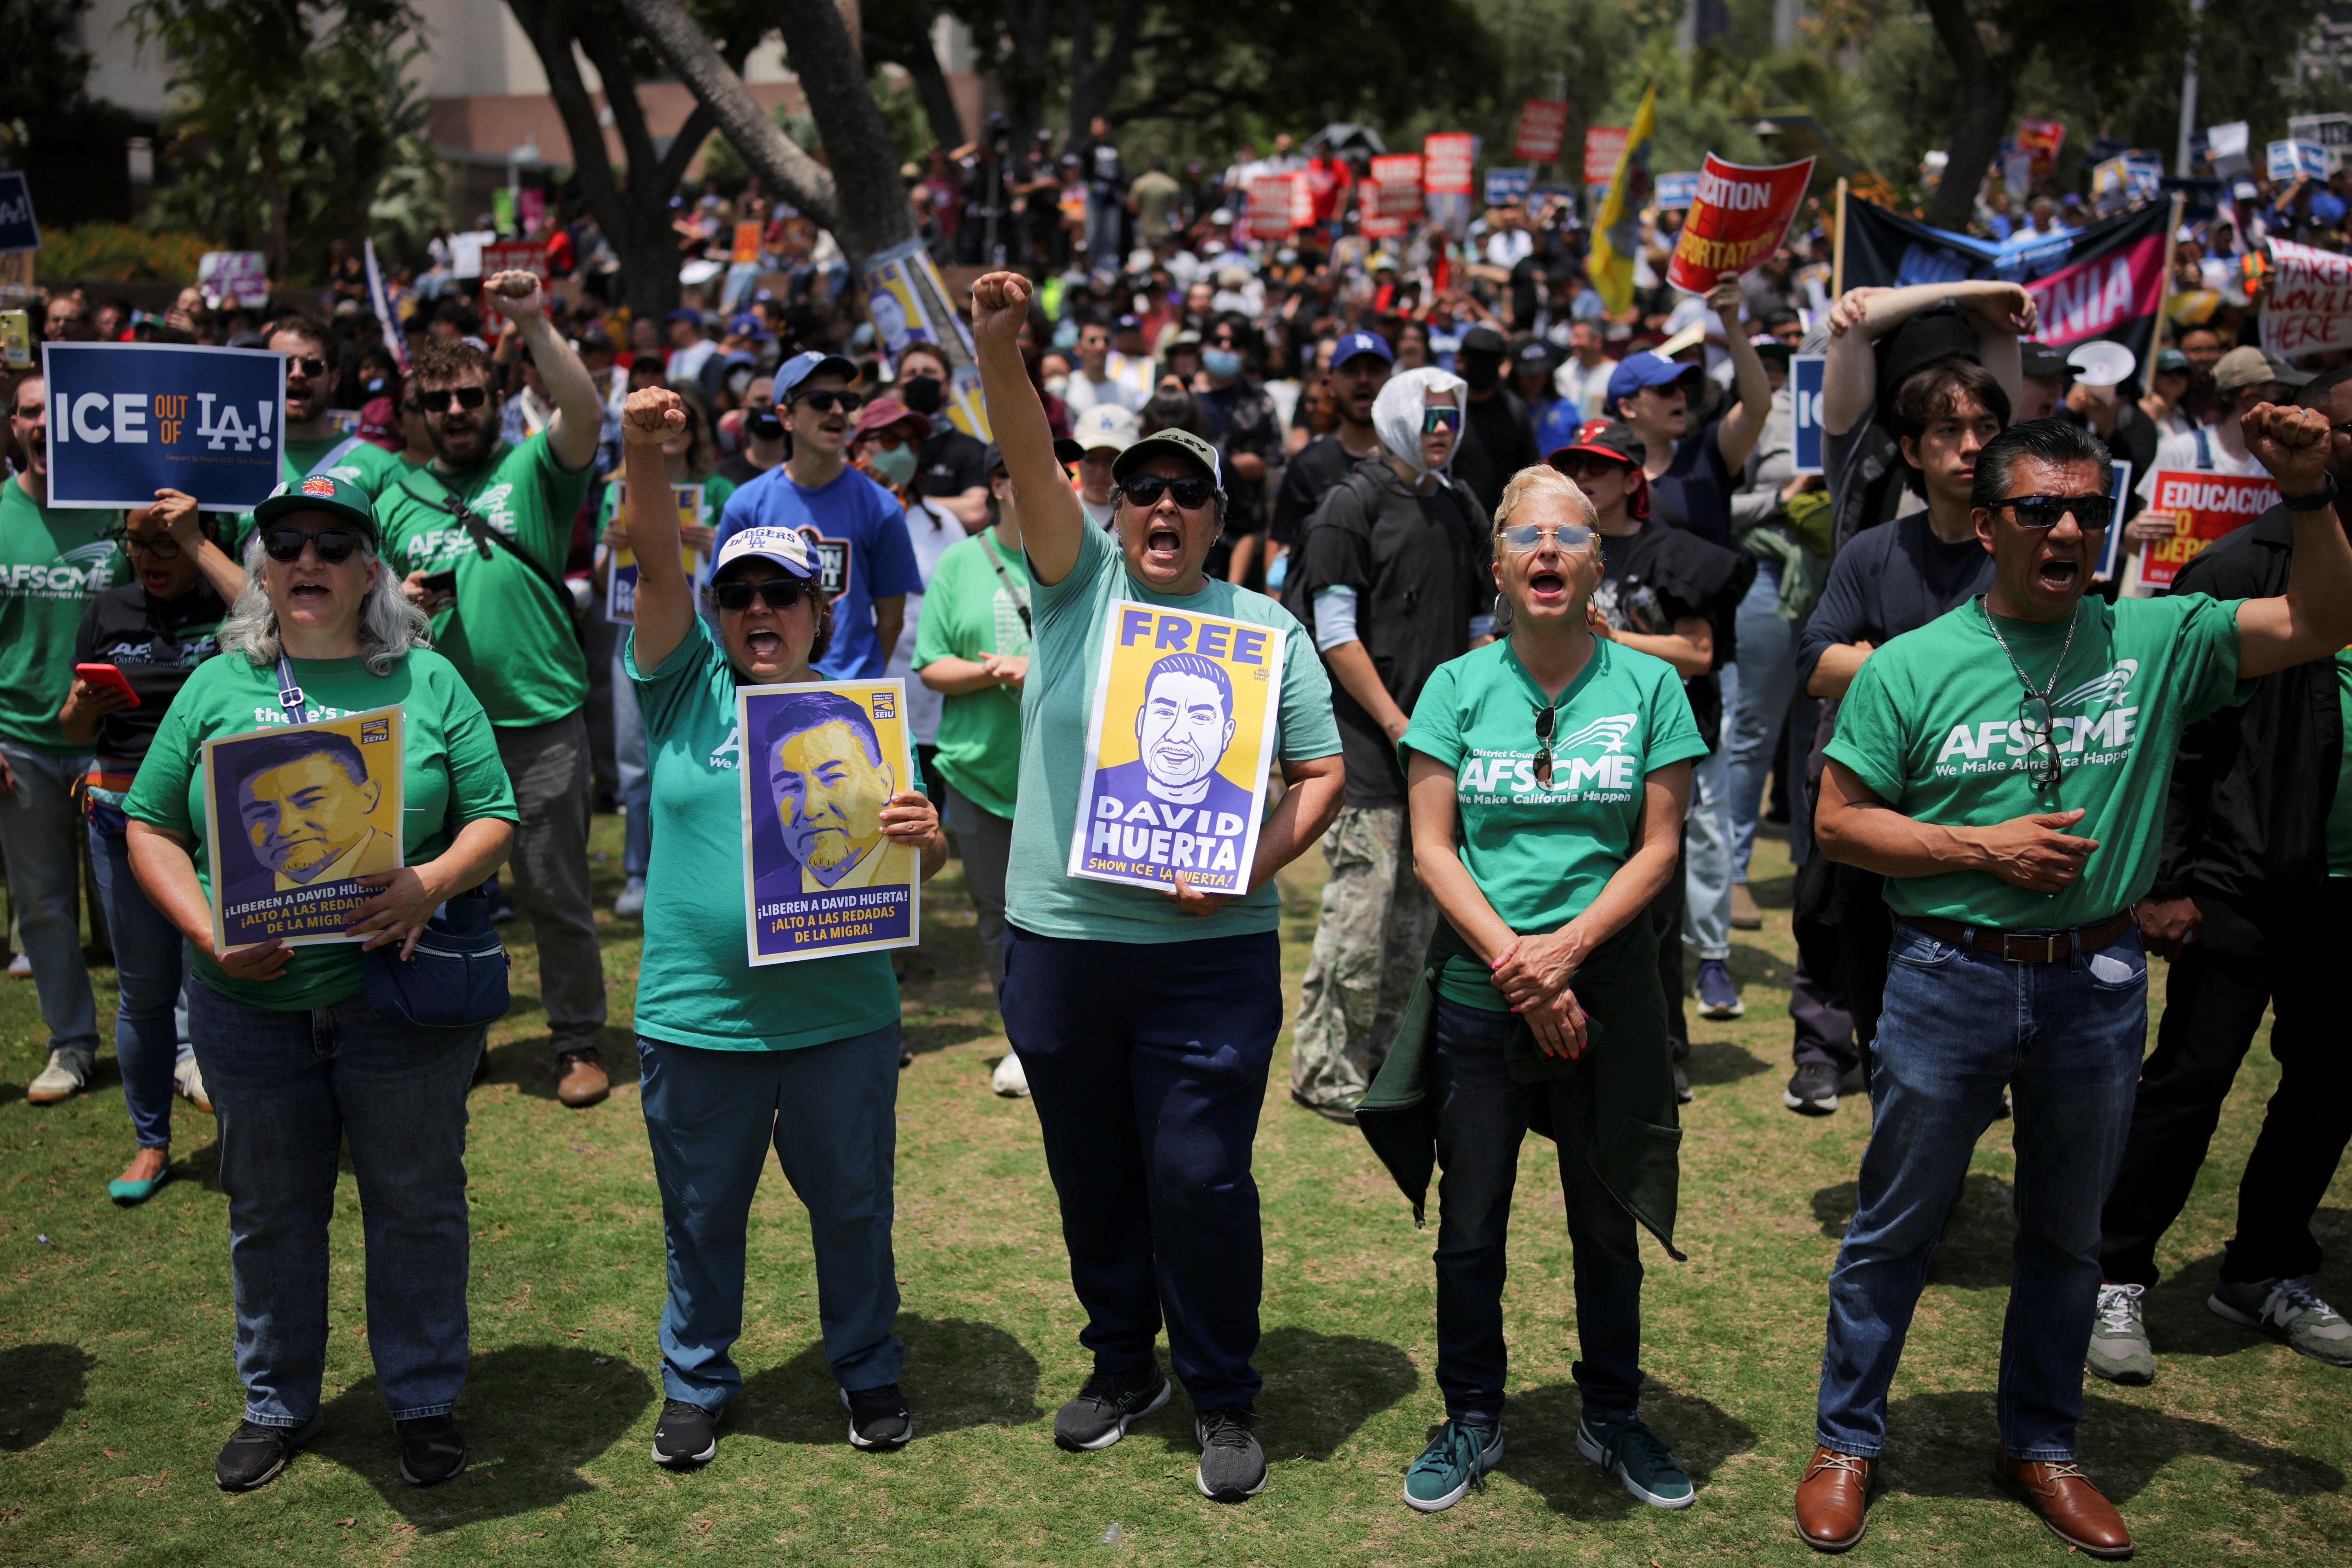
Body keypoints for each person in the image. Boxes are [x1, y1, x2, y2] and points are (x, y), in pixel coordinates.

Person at [1795, 413, 2352, 1559]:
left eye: (2088, 509)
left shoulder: (2153, 637)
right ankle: (1846, 1441)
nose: (2067, 528)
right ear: (1989, 523)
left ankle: (2041, 1444)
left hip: (2093, 983)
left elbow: (2320, 620)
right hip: (1948, 974)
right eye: (2040, 508)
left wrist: (2306, 491)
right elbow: (1839, 825)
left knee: (2066, 1236)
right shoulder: (1910, 662)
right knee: (1895, 1228)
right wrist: (1979, 849)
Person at [970, 269, 1343, 1504]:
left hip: (1208, 953)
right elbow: (1027, 453)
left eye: (1190, 492)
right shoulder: (1077, 587)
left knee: (1197, 1174)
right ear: (1111, 507)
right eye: (1145, 491)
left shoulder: (1264, 627)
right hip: (1065, 945)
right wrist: (999, 345)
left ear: (1215, 511)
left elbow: (1323, 771)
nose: (1167, 508)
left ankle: (1224, 1391)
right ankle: (1123, 1362)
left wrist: (1252, 859)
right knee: (1094, 1172)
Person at [123, 474, 518, 1493]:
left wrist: (430, 878)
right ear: (260, 566)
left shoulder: (427, 680)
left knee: (417, 1204)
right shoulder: (218, 684)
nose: (308, 561)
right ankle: (275, 1400)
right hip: (251, 1011)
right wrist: (209, 932)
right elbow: (149, 824)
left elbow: (494, 811)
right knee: (269, 1208)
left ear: (370, 570)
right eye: (286, 543)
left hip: (400, 1006)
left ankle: (424, 1397)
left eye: (333, 547)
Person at [1362, 464, 1705, 1515]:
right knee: (1471, 1224)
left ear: (1599, 562)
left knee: (1605, 1222)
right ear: (1498, 563)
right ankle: (1471, 1411)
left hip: (1606, 991)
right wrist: (1523, 963)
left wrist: (1570, 953)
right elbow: (1432, 848)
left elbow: (1657, 849)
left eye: (1570, 535)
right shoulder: (1456, 688)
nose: (1547, 551)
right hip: (1480, 992)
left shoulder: (1650, 686)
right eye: (1526, 537)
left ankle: (1611, 1409)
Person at [613, 385, 945, 1469]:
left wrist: (923, 835)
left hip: (840, 1019)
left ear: (822, 613)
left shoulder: (864, 717)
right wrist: (641, 445)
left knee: (852, 1209)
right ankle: (696, 1379)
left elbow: (904, 859)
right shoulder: (680, 691)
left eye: (784, 594)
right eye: (740, 593)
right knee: (700, 1220)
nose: (761, 609)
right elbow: (658, 557)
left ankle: (867, 1368)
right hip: (699, 1023)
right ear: (715, 612)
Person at [2089, 368, 2352, 1386]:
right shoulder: (2238, 570)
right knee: (2191, 1078)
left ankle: (2264, 1265)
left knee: (2327, 1082)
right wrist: (2166, 877)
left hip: (2344, 895)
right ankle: (2114, 1271)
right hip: (2239, 882)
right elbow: (2177, 741)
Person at [1788, 282, 2029, 1116]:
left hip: (1986, 810)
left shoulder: (2032, 551)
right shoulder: (1871, 538)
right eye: (1946, 430)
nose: (1970, 447)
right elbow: (1816, 660)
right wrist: (1943, 670)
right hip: (1875, 804)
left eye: (1986, 431)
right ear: (1911, 444)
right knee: (1866, 978)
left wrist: (1883, 661)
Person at [377, 271, 614, 1109]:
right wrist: (399, 606)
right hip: (441, 729)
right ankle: (458, 1026)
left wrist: (534, 321)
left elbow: (586, 411)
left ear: (497, 395)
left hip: (542, 721)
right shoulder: (394, 496)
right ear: (418, 411)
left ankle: (576, 1038)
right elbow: (357, 611)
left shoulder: (533, 468)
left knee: (556, 893)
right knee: (447, 896)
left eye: (470, 395)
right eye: (438, 401)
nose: (455, 411)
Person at [1286, 367, 1490, 1119]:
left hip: (1438, 749)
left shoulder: (1460, 503)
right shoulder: (1351, 502)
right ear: (1398, 417)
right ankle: (1324, 1070)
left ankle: (1385, 1061)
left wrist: (1458, 717)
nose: (1443, 428)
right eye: (1430, 415)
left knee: (1418, 919)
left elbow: (1477, 622)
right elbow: (1334, 634)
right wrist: (1400, 724)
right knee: (1361, 921)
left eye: (1453, 415)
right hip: (1365, 754)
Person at [1553, 420, 1751, 1092]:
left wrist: (1613, 641)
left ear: (1633, 477)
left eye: (1599, 468)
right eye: (1574, 466)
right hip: (1574, 750)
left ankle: (1663, 1048)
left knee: (1656, 909)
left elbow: (1698, 654)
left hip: (1655, 750)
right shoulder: (1552, 551)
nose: (1582, 480)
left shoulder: (1673, 551)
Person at [61, 490, 245, 1199]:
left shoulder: (226, 606)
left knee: (219, 986)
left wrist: (197, 542)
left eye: (167, 542)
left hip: (214, 821)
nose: (151, 557)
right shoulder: (106, 610)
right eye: (138, 542)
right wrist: (82, 707)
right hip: (120, 814)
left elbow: (269, 614)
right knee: (142, 995)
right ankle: (150, 1142)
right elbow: (73, 729)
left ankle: (240, 1129)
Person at [4, 372, 130, 1106]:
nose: (45, 426)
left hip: (108, 742)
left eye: (60, 413)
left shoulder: (117, 511)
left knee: (134, 903)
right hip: (18, 744)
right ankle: (72, 1044)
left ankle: (174, 1045)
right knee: (43, 905)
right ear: (13, 426)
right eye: (29, 413)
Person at [914, 443, 1035, 1095]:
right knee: (997, 915)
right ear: (998, 484)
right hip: (977, 776)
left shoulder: (1070, 558)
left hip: (1057, 780)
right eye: (1032, 463)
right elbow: (931, 664)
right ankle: (1023, 1039)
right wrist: (997, 671)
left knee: (1062, 914)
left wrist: (1036, 671)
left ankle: (1065, 1036)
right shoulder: (961, 561)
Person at [597, 383, 732, 919]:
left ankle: (700, 865)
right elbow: (611, 583)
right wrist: (609, 551)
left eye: (684, 424)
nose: (671, 434)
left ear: (695, 434)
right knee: (634, 762)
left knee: (702, 756)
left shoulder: (718, 488)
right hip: (635, 635)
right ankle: (637, 870)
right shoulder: (618, 489)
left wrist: (714, 543)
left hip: (706, 636)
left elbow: (737, 572)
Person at [717, 352, 923, 683]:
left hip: (850, 690)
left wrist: (858, 681)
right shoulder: (746, 504)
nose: (838, 411)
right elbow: (724, 608)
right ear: (785, 417)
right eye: (821, 400)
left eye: (846, 400)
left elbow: (891, 618)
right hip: (762, 694)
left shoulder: (882, 506)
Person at [851, 396, 963, 784]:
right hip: (849, 693)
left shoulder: (943, 523)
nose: (901, 451)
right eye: (889, 439)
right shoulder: (835, 513)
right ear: (859, 443)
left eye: (912, 444)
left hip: (926, 702)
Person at [1271, 331, 1394, 565]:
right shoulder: (1307, 466)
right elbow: (1281, 548)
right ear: (1330, 384)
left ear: (1392, 379)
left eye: (1375, 369)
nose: (1363, 379)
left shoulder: (1411, 464)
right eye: (1351, 370)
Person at [1450, 325, 1540, 518]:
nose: (1484, 366)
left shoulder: (1515, 411)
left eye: (1492, 360)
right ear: (1459, 361)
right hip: (1452, 523)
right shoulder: (1447, 411)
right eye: (1477, 359)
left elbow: (1530, 473)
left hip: (1502, 525)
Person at [900, 342, 991, 528]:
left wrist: (907, 504)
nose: (919, 379)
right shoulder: (883, 445)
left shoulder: (972, 449)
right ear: (899, 385)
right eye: (911, 374)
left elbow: (976, 512)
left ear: (948, 384)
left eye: (929, 372)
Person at [1072, 403, 1140, 529]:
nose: (1100, 472)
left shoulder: (1143, 520)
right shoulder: (1057, 511)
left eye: (1112, 462)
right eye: (1090, 460)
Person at [1553, 319, 1620, 427]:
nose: (1572, 342)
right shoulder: (1564, 372)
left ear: (1598, 341)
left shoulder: (1616, 373)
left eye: (1578, 337)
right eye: (1572, 337)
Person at [1064, 320, 1136, 415]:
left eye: (1106, 341)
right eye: (1092, 341)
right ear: (1078, 348)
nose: (1100, 346)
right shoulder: (1066, 388)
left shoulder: (1125, 394)